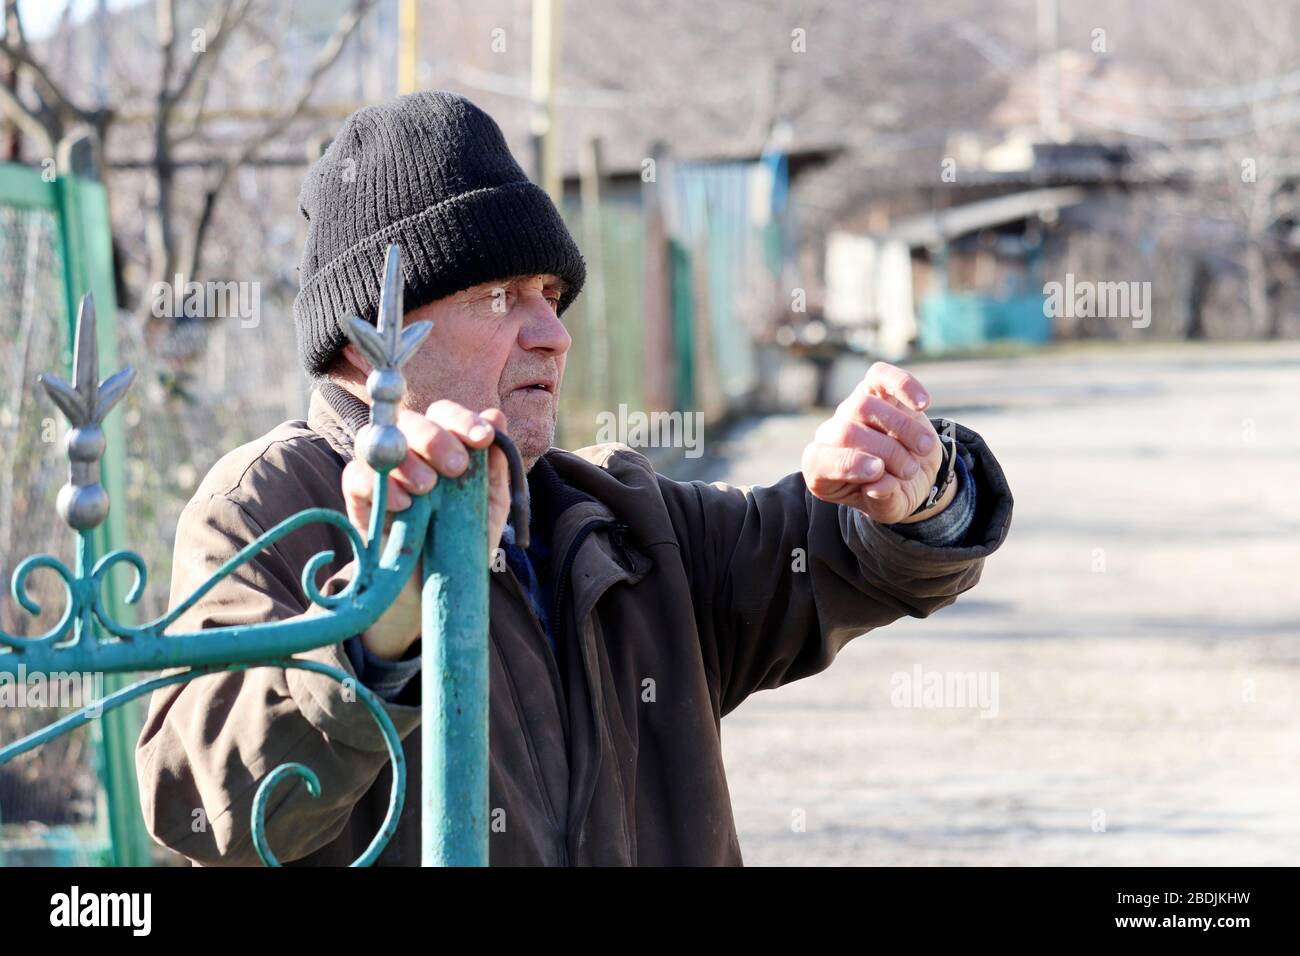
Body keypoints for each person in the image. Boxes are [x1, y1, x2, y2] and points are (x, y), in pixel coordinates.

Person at [135, 90, 1013, 866]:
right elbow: (206, 807)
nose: (551, 333)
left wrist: (913, 491)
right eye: (499, 296)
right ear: (367, 338)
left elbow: (824, 553)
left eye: (551, 293)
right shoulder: (269, 503)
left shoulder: (610, 509)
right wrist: (378, 633)